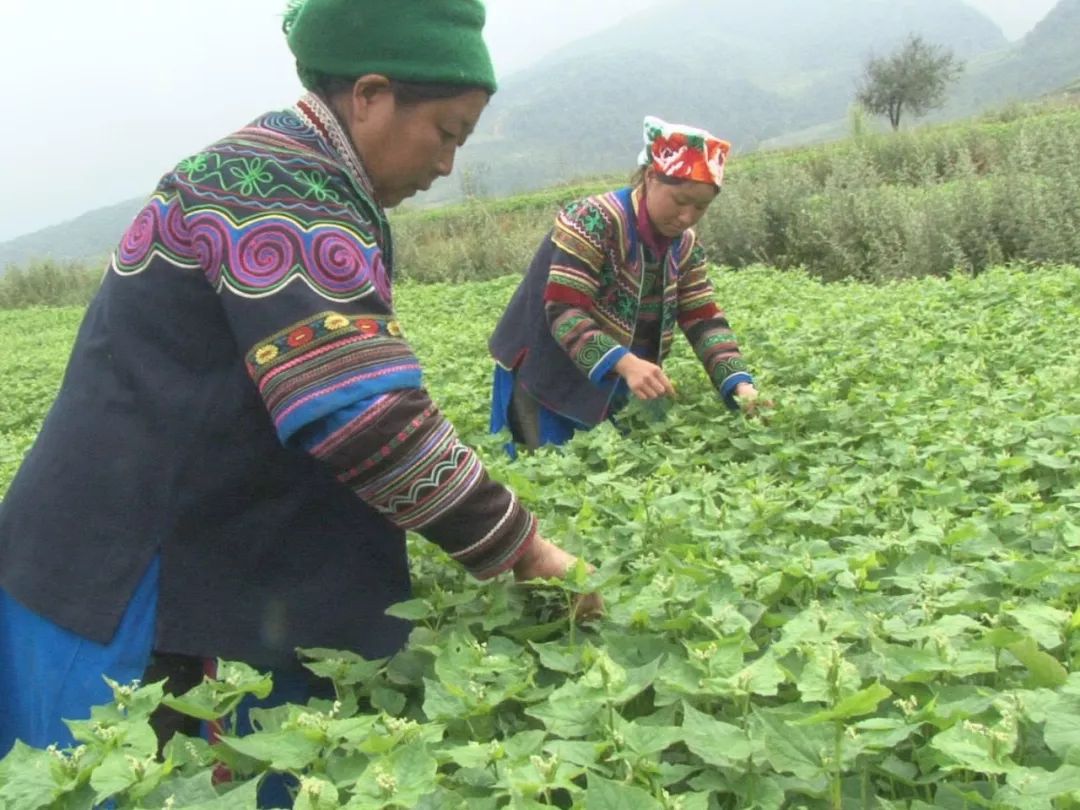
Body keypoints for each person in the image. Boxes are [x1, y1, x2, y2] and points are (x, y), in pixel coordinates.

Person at [0, 0, 598, 762]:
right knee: (139, 771)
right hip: (133, 565)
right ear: (372, 95)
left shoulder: (304, 174)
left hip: (169, 529)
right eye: (447, 133)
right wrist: (526, 548)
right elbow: (363, 413)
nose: (448, 164)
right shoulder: (274, 187)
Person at [489, 116, 765, 452]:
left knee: (608, 467)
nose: (687, 216)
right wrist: (626, 362)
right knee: (545, 468)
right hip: (544, 368)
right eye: (680, 201)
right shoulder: (591, 221)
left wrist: (739, 384)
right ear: (651, 177)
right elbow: (564, 310)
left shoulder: (685, 245)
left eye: (701, 207)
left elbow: (702, 317)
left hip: (616, 371)